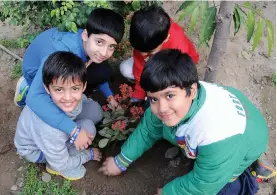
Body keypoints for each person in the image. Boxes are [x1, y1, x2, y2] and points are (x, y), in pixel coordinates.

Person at [100, 49, 275, 195]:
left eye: (170, 96)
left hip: (242, 139)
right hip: (231, 136)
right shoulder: (177, 96)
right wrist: (121, 161)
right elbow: (147, 130)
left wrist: (169, 192)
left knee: (223, 187)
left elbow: (203, 185)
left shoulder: (217, 135)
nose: (161, 108)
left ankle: (248, 175)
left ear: (191, 91)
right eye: (153, 99)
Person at [14, 8, 125, 150]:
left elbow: (99, 72)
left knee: (100, 69)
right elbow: (34, 98)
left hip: (62, 68)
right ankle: (27, 85)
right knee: (54, 101)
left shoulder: (89, 48)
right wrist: (73, 130)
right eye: (100, 42)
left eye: (111, 46)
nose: (104, 52)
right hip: (38, 73)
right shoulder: (60, 56)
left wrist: (110, 97)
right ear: (85, 35)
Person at [15, 51, 102, 180]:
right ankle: (51, 165)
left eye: (75, 88)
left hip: (47, 133)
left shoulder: (62, 98)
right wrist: (88, 155)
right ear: (46, 88)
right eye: (59, 90)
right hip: (38, 149)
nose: (68, 98)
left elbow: (75, 99)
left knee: (96, 112)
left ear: (84, 86)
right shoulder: (49, 131)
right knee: (88, 128)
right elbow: (61, 163)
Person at [119, 5, 199, 103]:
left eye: (149, 52)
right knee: (125, 68)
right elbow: (139, 68)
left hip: (172, 66)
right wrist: (139, 94)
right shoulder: (143, 37)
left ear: (166, 39)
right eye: (139, 50)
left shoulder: (179, 47)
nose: (143, 55)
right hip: (158, 62)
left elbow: (185, 71)